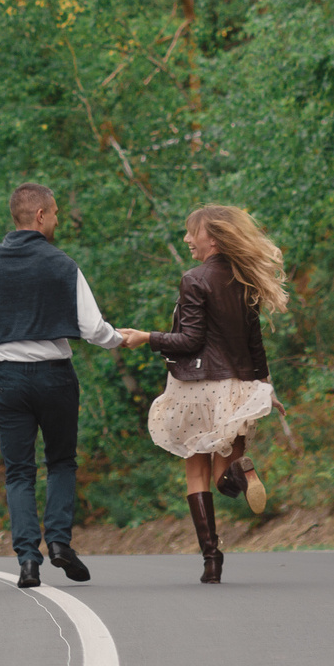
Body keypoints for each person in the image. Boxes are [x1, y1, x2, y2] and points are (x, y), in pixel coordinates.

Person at [0, 182, 136, 589]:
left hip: (9, 380)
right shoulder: (60, 264)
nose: (56, 220)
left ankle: (28, 561)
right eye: (53, 213)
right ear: (39, 216)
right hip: (55, 377)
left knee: (19, 471)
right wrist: (121, 339)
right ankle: (59, 542)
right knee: (61, 461)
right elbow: (91, 327)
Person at [119, 204, 288, 584]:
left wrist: (147, 337)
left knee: (196, 472)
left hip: (196, 388)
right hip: (238, 386)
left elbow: (190, 340)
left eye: (190, 233)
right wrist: (265, 387)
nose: (186, 239)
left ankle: (212, 560)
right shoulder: (245, 279)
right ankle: (241, 474)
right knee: (222, 474)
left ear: (210, 238)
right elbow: (254, 342)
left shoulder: (194, 279)